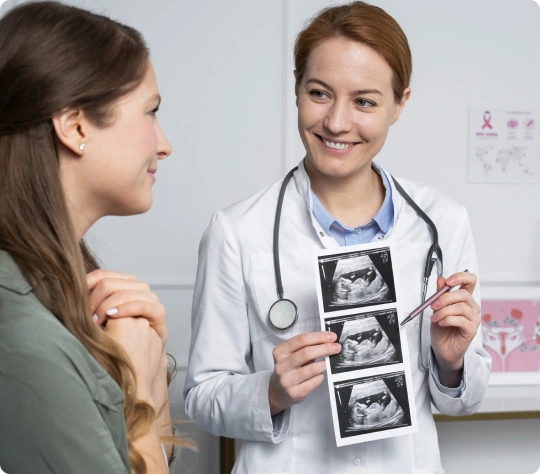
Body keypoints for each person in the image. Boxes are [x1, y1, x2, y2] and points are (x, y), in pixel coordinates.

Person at [184, 2, 491, 473]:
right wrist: (271, 391)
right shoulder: (237, 231)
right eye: (319, 93)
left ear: (399, 104)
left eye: (364, 101)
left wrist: (451, 363)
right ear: (297, 89)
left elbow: (464, 401)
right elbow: (202, 397)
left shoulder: (443, 222)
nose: (336, 122)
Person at [0, 2, 193, 473]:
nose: (164, 145)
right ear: (75, 126)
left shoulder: (50, 291)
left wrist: (148, 373)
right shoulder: (25, 337)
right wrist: (136, 386)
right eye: (150, 112)